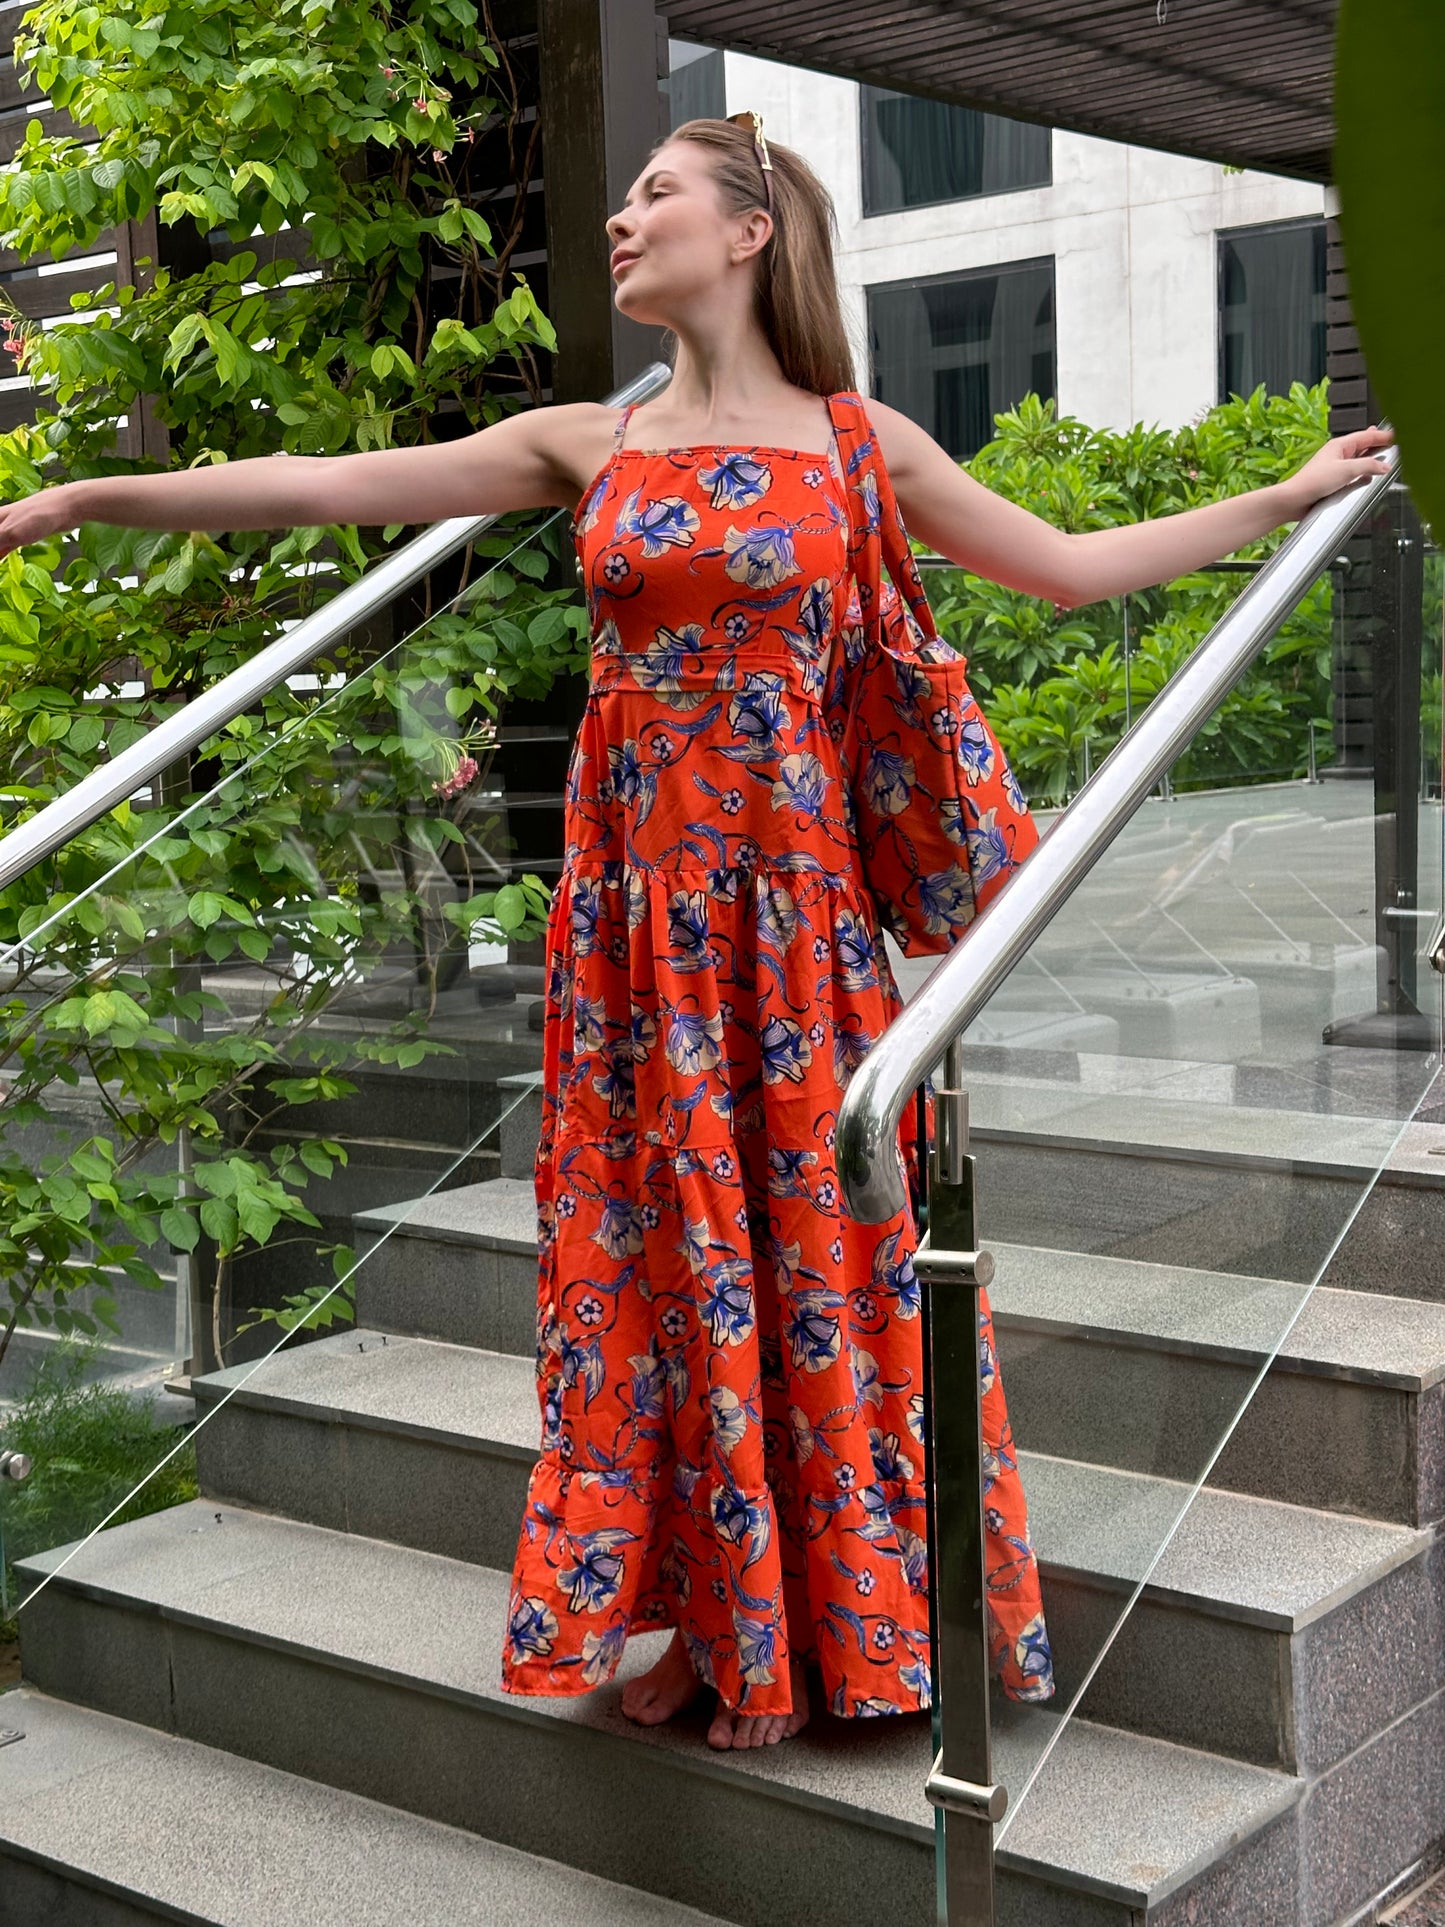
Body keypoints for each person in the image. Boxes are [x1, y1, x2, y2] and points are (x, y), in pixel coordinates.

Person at [0, 113, 1391, 1755]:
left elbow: (1072, 571)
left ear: (748, 232)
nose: (618, 217)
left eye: (652, 192)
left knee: (807, 1262)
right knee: (650, 1277)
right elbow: (326, 483)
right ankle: (709, 1622)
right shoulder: (588, 440)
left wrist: (1280, 493)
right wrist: (93, 494)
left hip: (794, 945)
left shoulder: (859, 443)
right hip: (629, 946)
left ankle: (826, 1634)